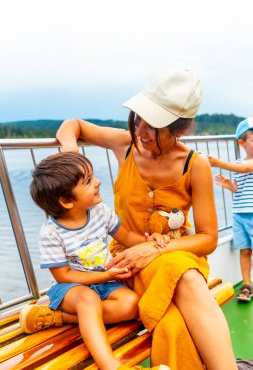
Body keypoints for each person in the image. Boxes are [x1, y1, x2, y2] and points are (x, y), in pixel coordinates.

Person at [55, 67, 237, 370]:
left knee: (184, 280)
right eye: (138, 117)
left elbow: (208, 239)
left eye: (154, 125)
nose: (141, 130)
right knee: (174, 324)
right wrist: (71, 155)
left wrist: (154, 249)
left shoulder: (196, 165)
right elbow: (71, 125)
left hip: (178, 256)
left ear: (179, 128)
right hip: (126, 262)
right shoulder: (126, 145)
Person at [19, 151, 170, 370]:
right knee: (88, 300)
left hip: (104, 283)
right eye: (89, 181)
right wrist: (107, 275)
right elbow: (64, 275)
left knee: (131, 305)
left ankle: (58, 317)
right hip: (71, 288)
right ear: (66, 201)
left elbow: (126, 237)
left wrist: (152, 242)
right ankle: (110, 366)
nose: (98, 182)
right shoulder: (51, 232)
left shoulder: (99, 212)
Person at [208, 117, 253, 302]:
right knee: (244, 250)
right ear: (242, 143)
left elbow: (246, 169)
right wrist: (230, 186)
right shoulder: (237, 163)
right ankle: (247, 285)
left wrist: (219, 163)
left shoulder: (241, 165)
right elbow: (239, 185)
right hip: (239, 214)